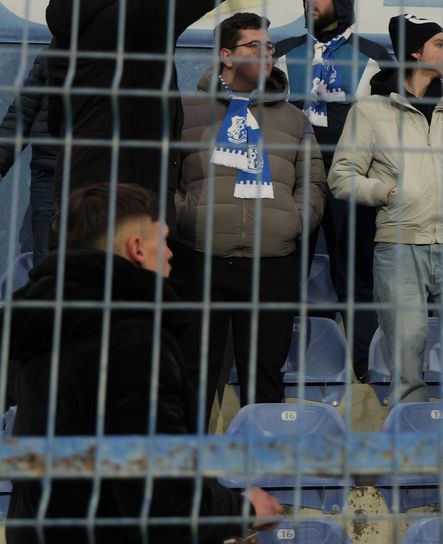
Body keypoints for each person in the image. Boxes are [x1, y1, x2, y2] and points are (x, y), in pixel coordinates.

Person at [7, 182, 282, 543]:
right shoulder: (129, 340)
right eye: (163, 240)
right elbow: (159, 498)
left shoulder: (48, 326)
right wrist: (240, 510)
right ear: (137, 248)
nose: (170, 254)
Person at [43, 0, 328, 209]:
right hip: (125, 193)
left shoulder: (70, 32)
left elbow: (56, 120)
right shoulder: (134, 17)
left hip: (77, 188)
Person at [171, 13, 326, 427]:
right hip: (199, 259)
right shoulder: (185, 111)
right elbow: (162, 175)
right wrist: (183, 216)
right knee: (192, 376)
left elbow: (313, 183)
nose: (267, 55)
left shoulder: (294, 119)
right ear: (225, 55)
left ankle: (264, 474)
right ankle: (185, 477)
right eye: (254, 46)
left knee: (264, 379)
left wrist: (294, 222)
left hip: (270, 264)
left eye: (270, 48)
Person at [329, 14, 443, 405]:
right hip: (398, 245)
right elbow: (341, 177)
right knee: (406, 353)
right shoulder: (369, 111)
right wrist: (388, 193)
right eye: (439, 44)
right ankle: (412, 451)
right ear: (414, 52)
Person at [274, 0, 395, 379]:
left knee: (356, 278)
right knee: (286, 277)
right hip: (294, 183)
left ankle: (364, 372)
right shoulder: (283, 53)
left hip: (350, 182)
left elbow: (388, 128)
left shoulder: (375, 56)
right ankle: (276, 368)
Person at [0, 50, 57, 262]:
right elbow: (23, 112)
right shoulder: (52, 53)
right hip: (50, 174)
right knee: (46, 260)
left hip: (101, 176)